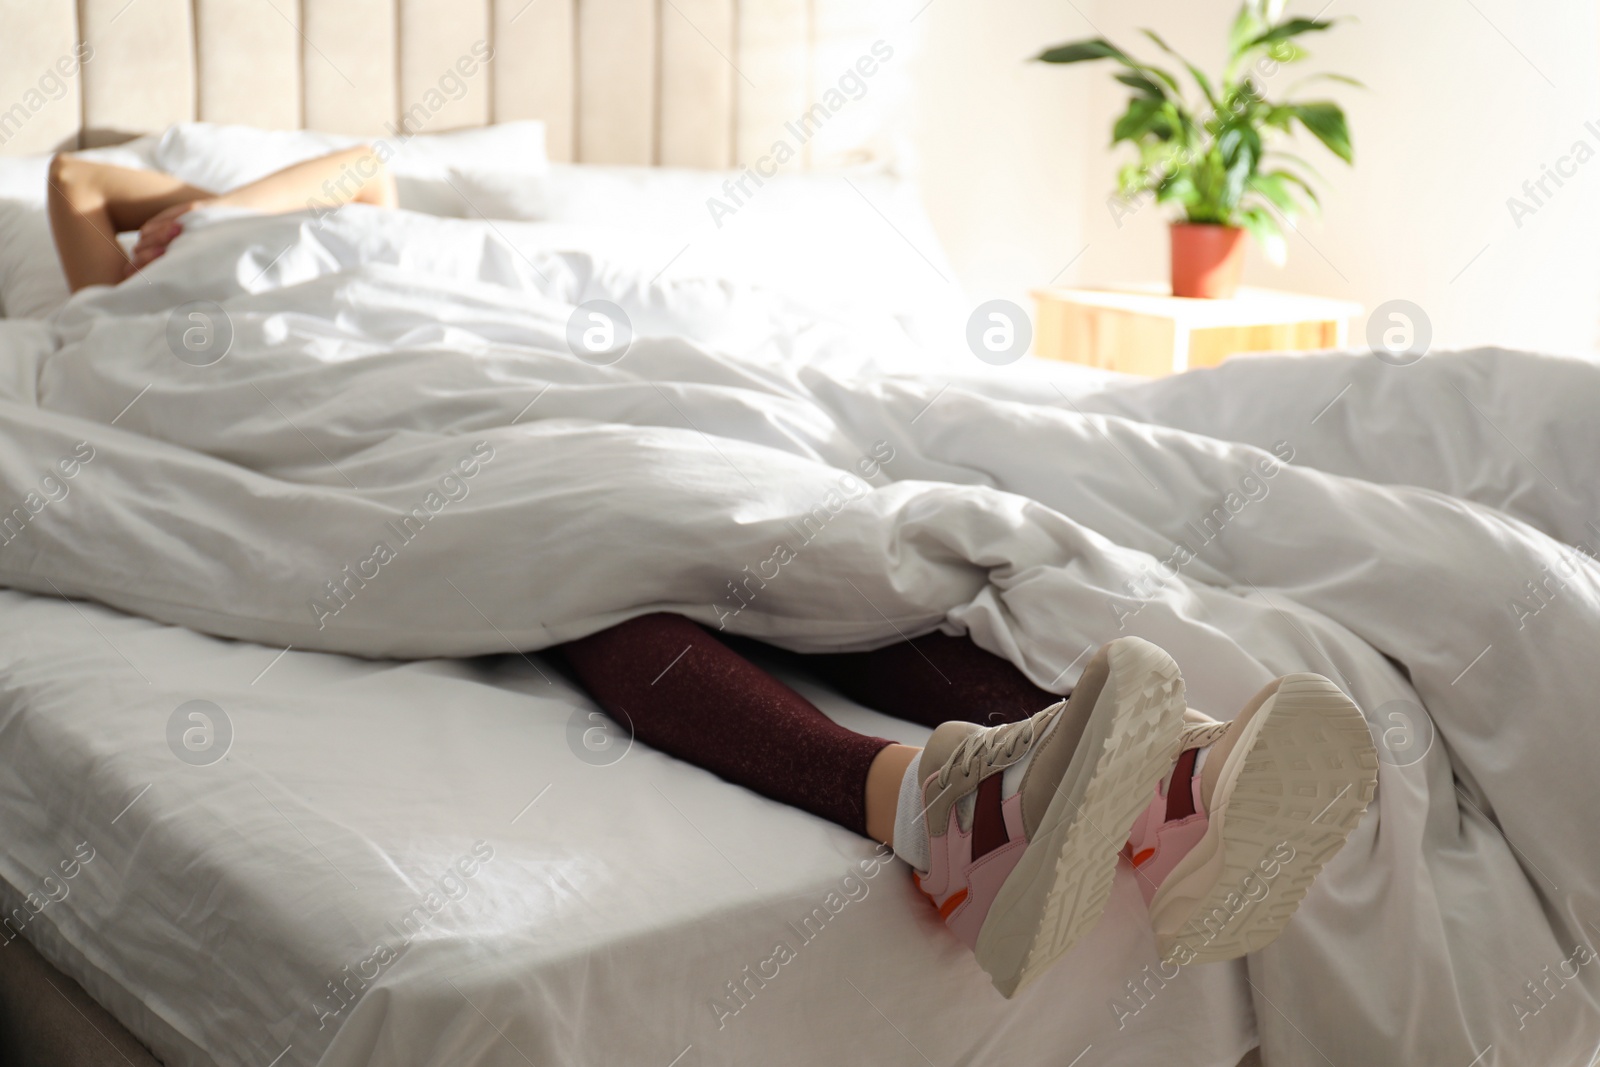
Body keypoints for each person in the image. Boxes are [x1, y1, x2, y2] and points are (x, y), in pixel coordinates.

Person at [45, 148, 1379, 997]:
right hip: (317, 391)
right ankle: (933, 812)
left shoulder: (349, 224)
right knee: (584, 541)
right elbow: (74, 189)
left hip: (492, 345)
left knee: (774, 537)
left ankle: (1155, 779)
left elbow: (362, 176)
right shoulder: (125, 290)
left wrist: (223, 197)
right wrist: (187, 237)